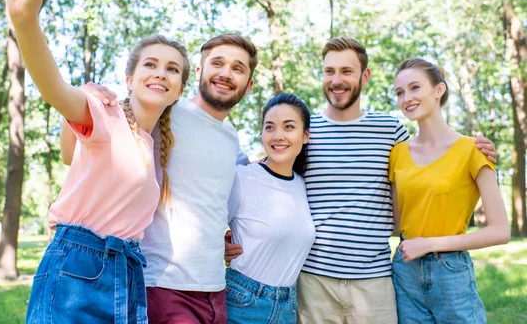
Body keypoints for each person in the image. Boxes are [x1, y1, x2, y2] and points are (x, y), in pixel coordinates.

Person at [225, 37, 497, 324]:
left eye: (346, 71)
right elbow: (270, 182)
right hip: (314, 282)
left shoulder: (391, 130)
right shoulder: (306, 131)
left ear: (364, 76)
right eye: (329, 71)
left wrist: (476, 149)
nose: (336, 79)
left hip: (374, 283)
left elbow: (427, 167)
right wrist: (238, 237)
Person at [9, 0, 190, 324]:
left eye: (172, 69)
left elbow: (72, 159)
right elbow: (53, 87)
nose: (161, 72)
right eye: (151, 65)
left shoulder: (153, 145)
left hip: (127, 270)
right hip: (78, 266)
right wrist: (25, 19)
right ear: (130, 78)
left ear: (180, 90)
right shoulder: (103, 113)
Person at [61, 33, 258, 323]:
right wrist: (87, 96)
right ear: (200, 71)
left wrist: (222, 240)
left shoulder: (232, 138)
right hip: (162, 286)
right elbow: (75, 152)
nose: (226, 73)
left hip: (215, 288)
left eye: (238, 68)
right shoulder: (161, 110)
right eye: (218, 63)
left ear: (248, 85)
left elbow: (213, 205)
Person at [389, 58, 509, 323]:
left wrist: (430, 244)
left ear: (438, 90)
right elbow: (397, 224)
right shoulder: (397, 154)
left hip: (450, 271)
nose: (406, 97)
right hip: (404, 269)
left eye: (415, 87)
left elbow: (501, 231)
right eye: (400, 92)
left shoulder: (473, 150)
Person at [225, 93, 315, 324]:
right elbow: (204, 225)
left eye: (289, 127)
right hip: (243, 302)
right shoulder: (242, 178)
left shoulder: (303, 185)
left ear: (305, 136)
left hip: (288, 307)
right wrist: (219, 245)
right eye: (270, 127)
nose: (278, 136)